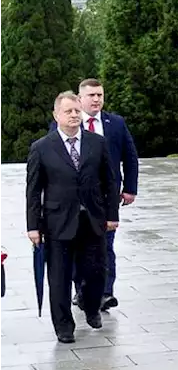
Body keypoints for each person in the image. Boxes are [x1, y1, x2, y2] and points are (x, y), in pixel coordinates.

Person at [26, 92, 119, 343]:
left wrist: (112, 214)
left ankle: (91, 308)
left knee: (95, 271)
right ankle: (64, 326)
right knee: (59, 277)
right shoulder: (42, 148)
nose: (74, 115)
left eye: (77, 110)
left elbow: (110, 181)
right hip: (58, 222)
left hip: (92, 219)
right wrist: (33, 226)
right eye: (68, 111)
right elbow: (33, 190)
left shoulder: (97, 143)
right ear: (56, 115)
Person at [72, 78, 138, 312]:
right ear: (80, 99)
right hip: (75, 198)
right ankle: (81, 288)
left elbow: (130, 156)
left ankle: (105, 292)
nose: (97, 99)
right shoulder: (69, 122)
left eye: (100, 95)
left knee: (105, 245)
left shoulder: (115, 123)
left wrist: (130, 188)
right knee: (77, 245)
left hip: (106, 197)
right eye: (91, 95)